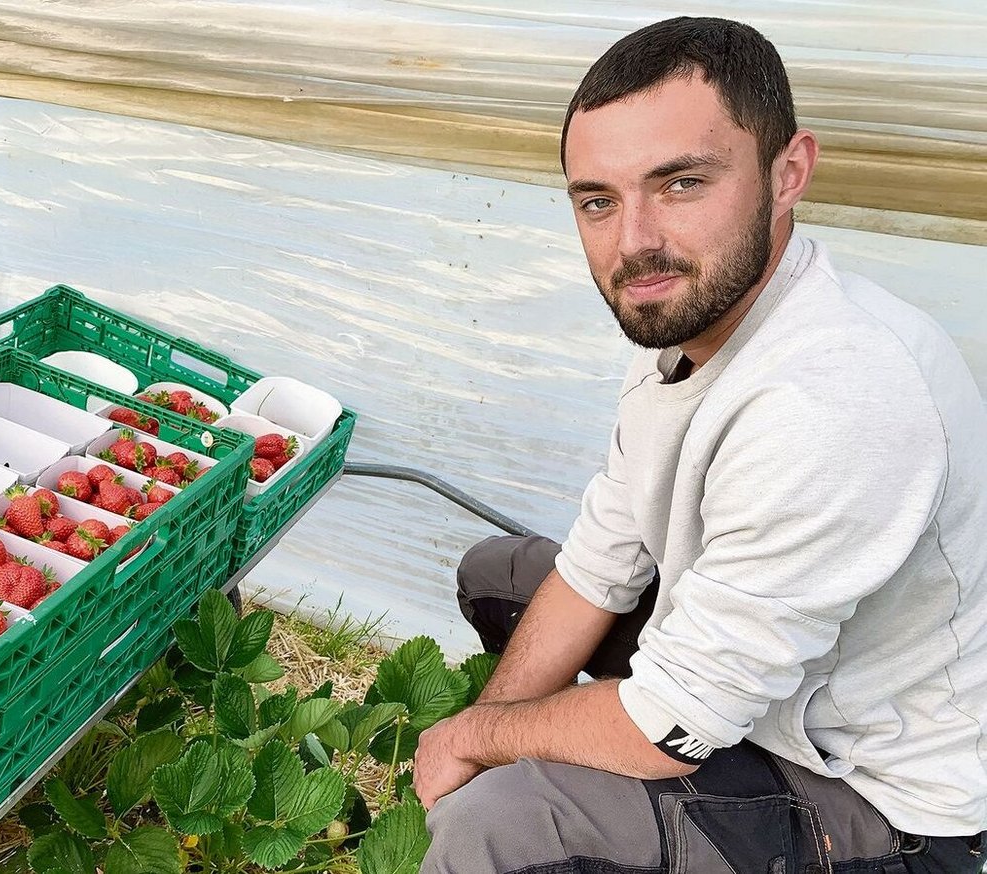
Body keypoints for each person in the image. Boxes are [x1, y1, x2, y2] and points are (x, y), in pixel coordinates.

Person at [417, 16, 987, 874]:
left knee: (503, 824)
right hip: (765, 691)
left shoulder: (837, 398)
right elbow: (598, 565)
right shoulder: (686, 333)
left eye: (680, 183)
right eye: (597, 200)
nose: (634, 239)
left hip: (884, 795)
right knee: (501, 577)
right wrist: (471, 748)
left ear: (787, 173)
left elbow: (670, 726)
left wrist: (481, 741)